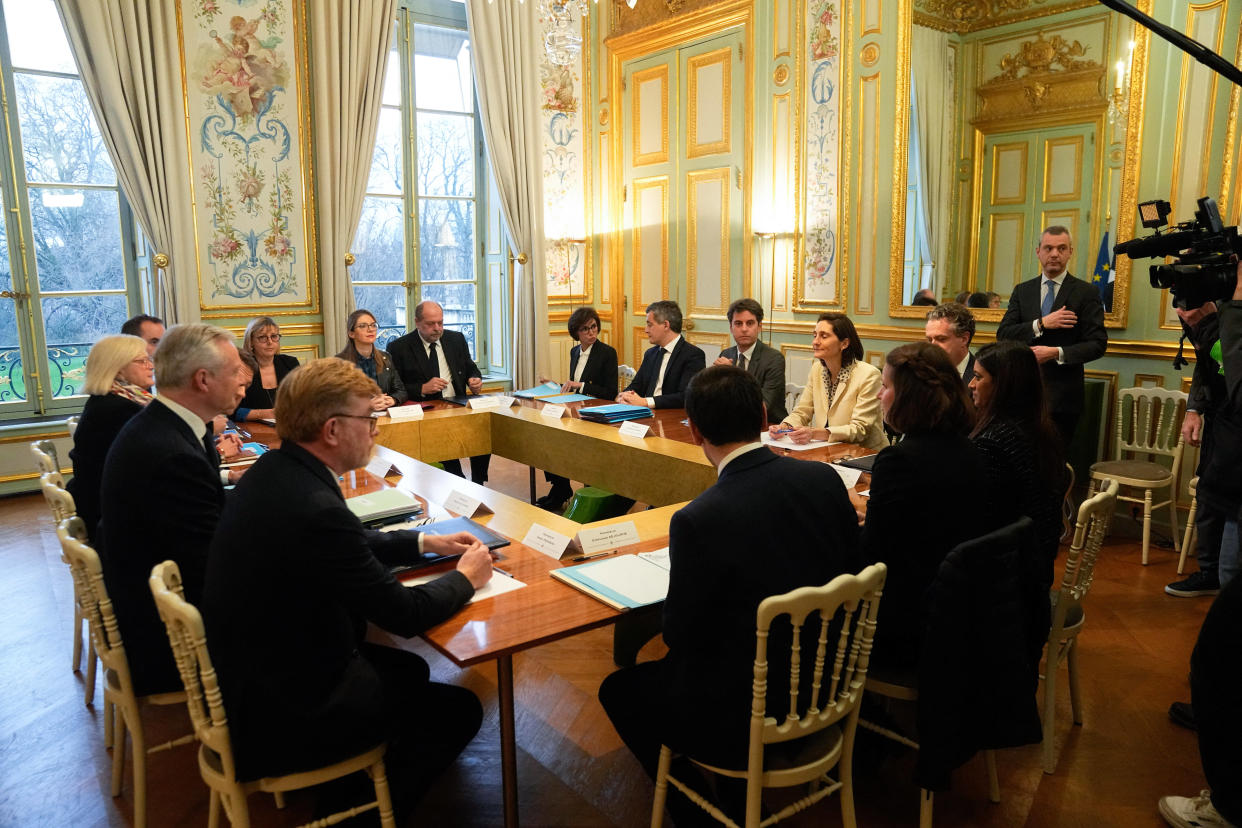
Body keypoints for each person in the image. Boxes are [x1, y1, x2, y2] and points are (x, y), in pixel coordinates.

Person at [203, 358, 493, 816]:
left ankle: (357, 781)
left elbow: (350, 541)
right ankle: (363, 811)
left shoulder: (278, 470)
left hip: (254, 669)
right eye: (369, 419)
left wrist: (425, 540)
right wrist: (466, 577)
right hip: (284, 706)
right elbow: (404, 613)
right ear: (333, 430)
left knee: (412, 673)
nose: (376, 429)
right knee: (458, 710)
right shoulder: (314, 503)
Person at [598, 365, 860, 825]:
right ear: (763, 415)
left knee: (619, 689)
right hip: (827, 687)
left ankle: (697, 812)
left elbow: (680, 634)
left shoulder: (700, 518)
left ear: (694, 430)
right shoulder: (824, 480)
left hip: (742, 714)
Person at [97, 323, 244, 695]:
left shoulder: (167, 426)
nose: (241, 380)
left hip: (158, 601)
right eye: (233, 372)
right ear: (203, 380)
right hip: (165, 640)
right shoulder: (169, 453)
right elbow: (211, 569)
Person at [861, 342, 990, 670]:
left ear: (908, 396)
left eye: (886, 386)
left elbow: (873, 554)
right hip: (961, 605)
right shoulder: (973, 449)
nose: (879, 395)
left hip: (906, 617)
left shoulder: (898, 460)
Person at [969, 340, 1065, 659]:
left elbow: (981, 527)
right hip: (1035, 572)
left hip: (1008, 588)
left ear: (1003, 386)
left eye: (979, 377)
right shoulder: (1039, 430)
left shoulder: (994, 442)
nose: (970, 384)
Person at [997, 225, 1108, 447]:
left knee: (1053, 467)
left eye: (1061, 248)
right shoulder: (1022, 290)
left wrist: (1056, 352)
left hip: (1063, 399)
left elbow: (1097, 344)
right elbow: (1004, 334)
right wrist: (1041, 323)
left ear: (1070, 252)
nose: (1054, 254)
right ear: (1038, 252)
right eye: (1048, 248)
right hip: (1021, 394)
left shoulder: (1086, 292)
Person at [387, 300, 490, 484]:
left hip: (458, 404)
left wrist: (474, 380)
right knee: (448, 456)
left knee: (483, 431)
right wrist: (421, 388)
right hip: (428, 412)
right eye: (430, 324)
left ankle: (478, 482)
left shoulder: (456, 339)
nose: (437, 328)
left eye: (440, 323)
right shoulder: (399, 347)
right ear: (417, 322)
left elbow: (470, 368)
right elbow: (395, 388)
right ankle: (457, 481)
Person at [66, 335, 153, 544]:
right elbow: (152, 467)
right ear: (118, 369)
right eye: (142, 361)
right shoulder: (119, 409)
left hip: (104, 507)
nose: (151, 365)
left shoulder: (111, 401)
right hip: (114, 523)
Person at [1167, 302, 1227, 599]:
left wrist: (1213, 321)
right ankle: (1210, 571)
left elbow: (1231, 357)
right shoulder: (1212, 309)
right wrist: (1194, 410)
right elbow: (1207, 362)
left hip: (1235, 417)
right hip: (1219, 417)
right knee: (1209, 490)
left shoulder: (1230, 312)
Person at [538, 306, 618, 512]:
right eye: (585, 329)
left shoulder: (607, 353)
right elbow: (572, 388)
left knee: (574, 445)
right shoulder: (575, 351)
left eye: (594, 327)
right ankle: (560, 486)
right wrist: (554, 385)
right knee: (550, 436)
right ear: (576, 333)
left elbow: (610, 392)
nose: (592, 332)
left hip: (597, 414)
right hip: (577, 410)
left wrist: (580, 386)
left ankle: (580, 491)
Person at [770, 312, 886, 450]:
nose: (815, 341)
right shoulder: (817, 369)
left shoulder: (869, 375)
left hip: (864, 454)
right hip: (829, 451)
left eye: (824, 336)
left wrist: (814, 433)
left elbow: (859, 429)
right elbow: (803, 411)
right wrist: (784, 427)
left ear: (844, 343)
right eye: (815, 335)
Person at [617, 300, 706, 409]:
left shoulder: (692, 355)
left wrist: (646, 402)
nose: (646, 330)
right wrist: (623, 396)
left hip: (672, 416)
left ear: (665, 325)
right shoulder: (650, 354)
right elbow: (637, 386)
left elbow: (685, 396)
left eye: (650, 325)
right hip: (646, 414)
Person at [714, 298, 787, 423]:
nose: (744, 329)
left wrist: (734, 375)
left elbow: (764, 406)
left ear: (759, 327)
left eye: (750, 323)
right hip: (733, 423)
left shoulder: (774, 359)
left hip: (768, 426)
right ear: (731, 328)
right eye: (738, 323)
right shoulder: (726, 354)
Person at [335, 309, 408, 410]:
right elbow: (336, 400)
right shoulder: (339, 362)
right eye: (363, 326)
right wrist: (366, 405)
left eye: (373, 325)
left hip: (384, 417)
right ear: (351, 334)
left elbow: (401, 391)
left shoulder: (386, 358)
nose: (370, 329)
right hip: (355, 420)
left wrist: (392, 399)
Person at [236, 316, 299, 422]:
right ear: (251, 342)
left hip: (288, 426)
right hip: (252, 430)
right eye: (263, 337)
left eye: (274, 336)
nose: (270, 342)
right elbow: (233, 412)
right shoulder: (243, 367)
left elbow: (304, 399)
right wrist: (266, 413)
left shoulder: (290, 364)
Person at [925, 301, 977, 383]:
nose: (932, 346)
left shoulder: (981, 375)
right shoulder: (921, 372)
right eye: (929, 340)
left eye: (941, 339)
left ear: (964, 339)